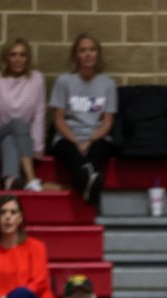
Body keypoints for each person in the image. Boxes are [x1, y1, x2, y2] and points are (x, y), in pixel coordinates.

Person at [49, 33, 116, 206]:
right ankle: (91, 186)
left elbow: (107, 122)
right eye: (83, 50)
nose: (88, 54)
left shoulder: (108, 84)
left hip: (97, 136)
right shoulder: (64, 81)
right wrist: (76, 142)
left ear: (97, 54)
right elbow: (59, 120)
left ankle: (84, 184)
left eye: (92, 50)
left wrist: (90, 140)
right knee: (77, 159)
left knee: (97, 152)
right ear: (76, 55)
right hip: (68, 136)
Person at [0, 37, 46, 192]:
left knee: (10, 140)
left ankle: (10, 181)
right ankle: (31, 178)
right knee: (18, 123)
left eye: (22, 55)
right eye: (13, 54)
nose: (18, 59)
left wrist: (38, 146)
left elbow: (39, 115)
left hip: (23, 139)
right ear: (6, 57)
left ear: (28, 58)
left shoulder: (36, 78)